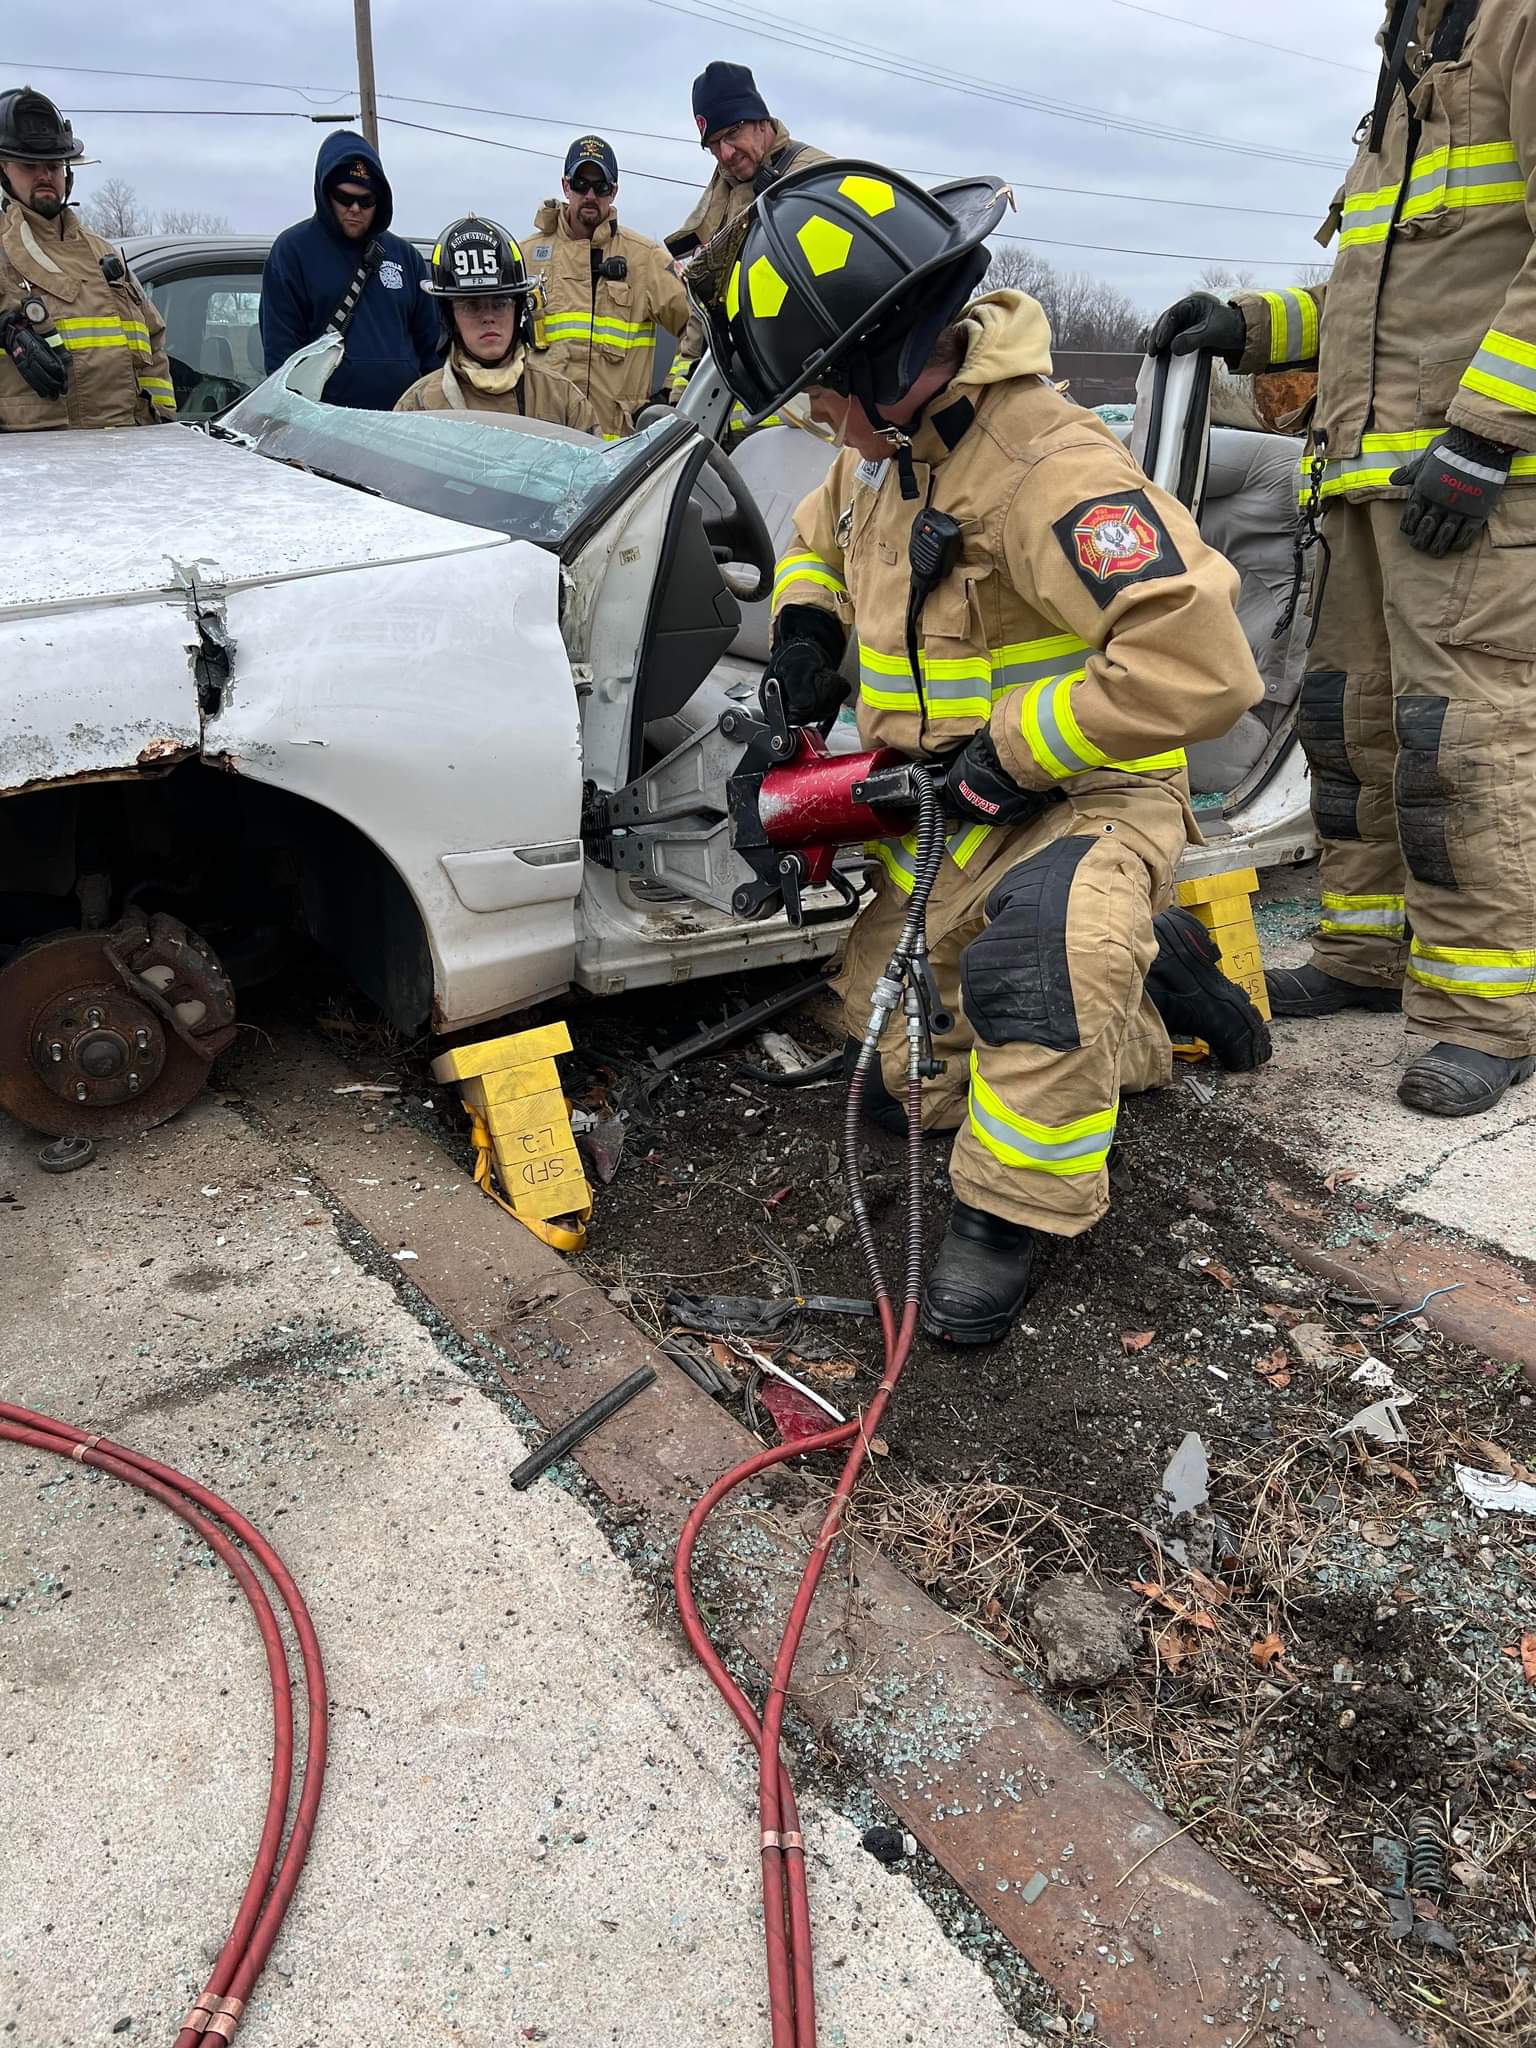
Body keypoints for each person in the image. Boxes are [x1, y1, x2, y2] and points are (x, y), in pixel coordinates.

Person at [697, 161, 1270, 1345]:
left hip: (1082, 789)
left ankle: (1010, 1215)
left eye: (821, 392)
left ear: (882, 358)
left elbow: (1204, 660)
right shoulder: (888, 452)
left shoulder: (1046, 469)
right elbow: (821, 530)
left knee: (1041, 977)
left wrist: (1019, 753)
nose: (815, 420)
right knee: (898, 1058)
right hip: (951, 806)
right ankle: (1159, 979)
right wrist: (807, 630)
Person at [1150, 0, 1536, 1119]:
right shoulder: (1412, 63)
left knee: (1460, 738)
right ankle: (1366, 950)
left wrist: (1486, 435)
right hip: (1369, 481)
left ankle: (1487, 1015)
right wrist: (1253, 323)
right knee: (1346, 721)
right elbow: (1376, 298)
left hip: (1473, 481)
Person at [0, 85, 175, 429]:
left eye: (54, 166)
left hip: (128, 453)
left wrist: (162, 425)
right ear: (3, 171)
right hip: (33, 462)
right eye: (29, 165)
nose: (45, 176)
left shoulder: (105, 254)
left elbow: (153, 343)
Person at [664, 62, 828, 402]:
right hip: (727, 413)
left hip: (795, 411)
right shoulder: (721, 193)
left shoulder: (814, 179)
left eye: (731, 134)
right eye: (712, 145)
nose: (724, 154)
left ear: (760, 120)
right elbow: (703, 305)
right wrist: (676, 397)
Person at [521, 136, 690, 438]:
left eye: (600, 187)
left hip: (619, 452)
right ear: (565, 186)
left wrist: (669, 396)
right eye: (580, 184)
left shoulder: (644, 259)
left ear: (614, 192)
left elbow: (696, 326)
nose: (589, 195)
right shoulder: (525, 257)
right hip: (545, 443)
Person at [260, 130, 439, 411]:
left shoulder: (407, 258)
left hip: (404, 423)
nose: (355, 208)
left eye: (366, 200)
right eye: (345, 198)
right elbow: (281, 356)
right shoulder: (292, 251)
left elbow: (431, 350)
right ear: (325, 193)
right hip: (325, 427)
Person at [394, 215, 599, 430]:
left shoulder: (563, 399)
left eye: (501, 304)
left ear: (519, 309)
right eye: (472, 306)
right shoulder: (418, 406)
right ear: (449, 317)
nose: (488, 317)